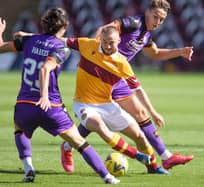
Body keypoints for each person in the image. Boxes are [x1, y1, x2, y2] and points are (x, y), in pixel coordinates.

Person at [61, 0, 194, 172]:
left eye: (162, 20)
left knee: (138, 113)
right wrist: (95, 53)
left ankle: (165, 158)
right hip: (101, 74)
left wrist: (180, 52)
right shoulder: (133, 23)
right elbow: (105, 29)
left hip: (118, 78)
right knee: (97, 117)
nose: (158, 22)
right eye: (155, 17)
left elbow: (154, 54)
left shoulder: (145, 35)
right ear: (147, 11)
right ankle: (67, 146)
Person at [0, 8, 120, 184]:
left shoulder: (28, 41)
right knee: (79, 142)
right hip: (51, 107)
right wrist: (44, 96)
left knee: (20, 130)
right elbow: (45, 68)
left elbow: (2, 48)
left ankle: (28, 169)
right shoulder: (61, 48)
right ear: (65, 26)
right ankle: (108, 177)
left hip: (25, 104)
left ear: (44, 24)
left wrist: (1, 33)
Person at [61, 25, 168, 174]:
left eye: (111, 42)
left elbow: (138, 90)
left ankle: (153, 168)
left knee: (139, 136)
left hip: (107, 105)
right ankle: (136, 155)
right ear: (100, 40)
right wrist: (30, 37)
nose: (108, 46)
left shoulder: (122, 63)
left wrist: (153, 112)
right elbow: (59, 40)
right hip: (83, 104)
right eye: (104, 42)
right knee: (99, 127)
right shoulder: (87, 44)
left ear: (119, 41)